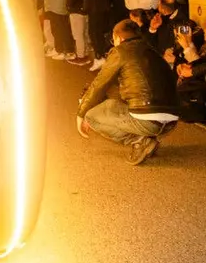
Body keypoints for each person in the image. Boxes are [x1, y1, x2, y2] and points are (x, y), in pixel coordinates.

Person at [76, 19, 181, 165]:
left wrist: (82, 113)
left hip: (149, 120)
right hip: (171, 121)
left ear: (118, 37)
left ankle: (139, 140)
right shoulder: (152, 51)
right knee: (111, 103)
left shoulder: (120, 51)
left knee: (91, 116)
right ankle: (146, 138)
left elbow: (99, 85)